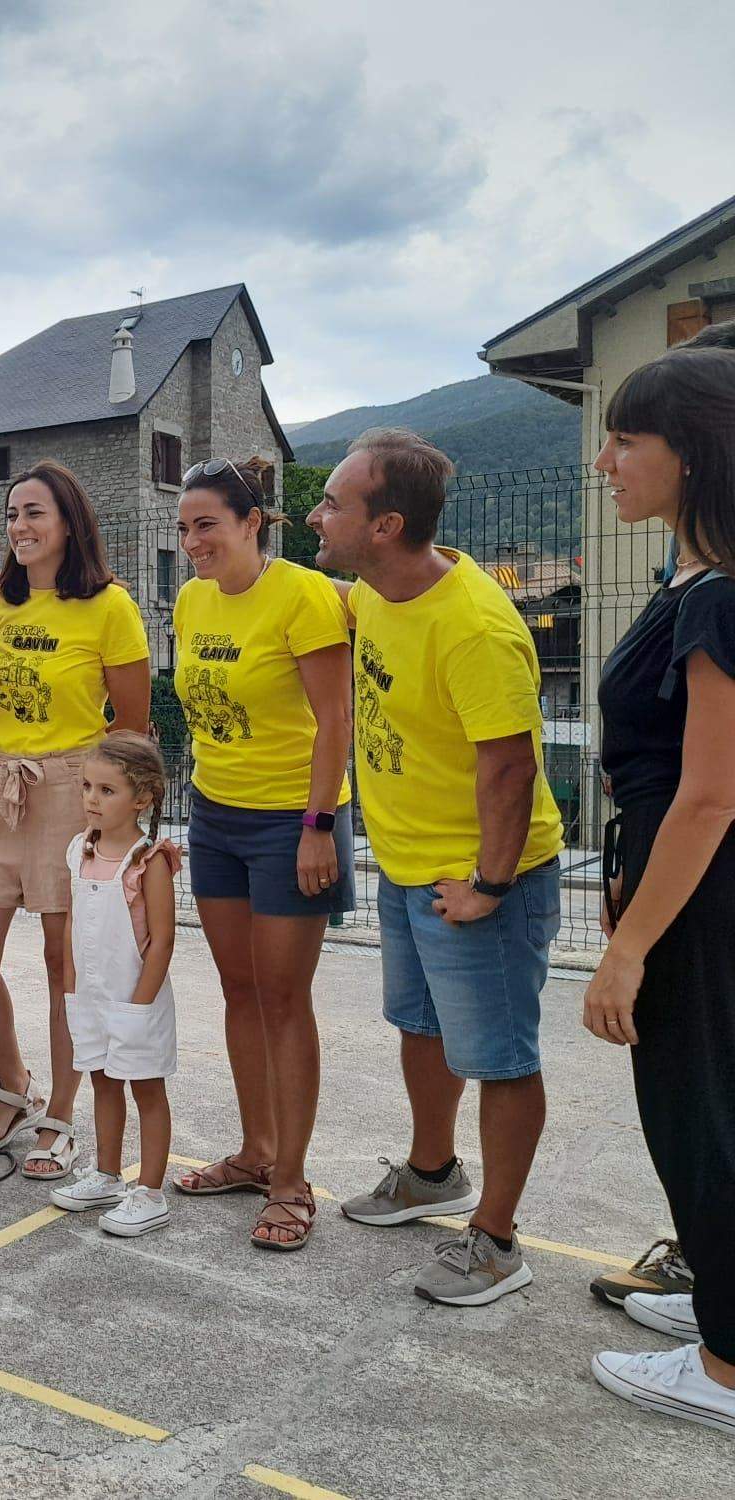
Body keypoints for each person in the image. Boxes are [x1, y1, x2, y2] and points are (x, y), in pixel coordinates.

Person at [309, 428, 564, 1307]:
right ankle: (431, 1173)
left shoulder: (477, 627)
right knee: (421, 1027)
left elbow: (511, 767)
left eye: (334, 502)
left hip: (482, 881)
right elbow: (328, 598)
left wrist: (490, 888)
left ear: (384, 525)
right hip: (411, 866)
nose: (316, 511)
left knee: (499, 1057)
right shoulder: (380, 591)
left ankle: (495, 1239)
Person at [581, 345, 735, 1432]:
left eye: (625, 438)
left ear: (691, 456)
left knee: (697, 1117)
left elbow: (707, 797)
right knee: (703, 1108)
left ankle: (726, 1373)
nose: (603, 460)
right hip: (682, 880)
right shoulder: (690, 580)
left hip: (702, 893)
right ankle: (724, 1309)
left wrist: (630, 943)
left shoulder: (716, 596)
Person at [167, 459, 354, 1251]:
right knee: (240, 991)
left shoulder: (303, 596)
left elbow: (335, 721)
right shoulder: (191, 599)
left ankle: (290, 1180)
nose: (191, 542)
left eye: (206, 523)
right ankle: (254, 1153)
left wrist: (318, 824)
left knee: (284, 998)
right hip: (216, 816)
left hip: (292, 821)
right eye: (183, 528)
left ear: (252, 520)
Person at [0, 461, 151, 1180]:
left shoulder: (109, 607)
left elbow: (133, 726)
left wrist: (114, 817)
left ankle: (62, 1115)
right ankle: (15, 1086)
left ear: (69, 521)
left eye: (34, 513)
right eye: (12, 515)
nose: (21, 527)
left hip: (72, 791)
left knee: (65, 965)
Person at [48, 732, 180, 1237]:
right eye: (86, 787)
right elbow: (73, 920)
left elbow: (162, 940)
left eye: (106, 791)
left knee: (146, 1088)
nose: (90, 800)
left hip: (134, 999)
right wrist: (70, 984)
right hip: (92, 996)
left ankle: (149, 1190)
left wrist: (139, 1006)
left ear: (142, 798)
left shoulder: (150, 861)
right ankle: (106, 1174)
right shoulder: (79, 851)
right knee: (103, 1080)